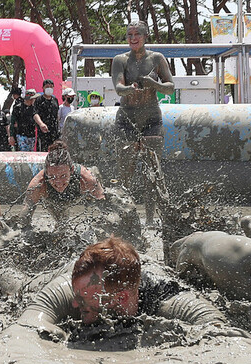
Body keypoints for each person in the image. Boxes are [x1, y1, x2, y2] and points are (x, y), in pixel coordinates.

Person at [17, 237, 235, 340]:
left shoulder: (165, 295)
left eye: (83, 298)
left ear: (121, 297)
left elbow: (220, 328)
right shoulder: (71, 288)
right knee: (18, 286)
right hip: (67, 271)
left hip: (143, 268)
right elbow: (25, 325)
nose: (75, 303)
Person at [111, 20, 175, 246]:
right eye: (129, 34)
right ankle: (126, 216)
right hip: (127, 116)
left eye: (137, 34)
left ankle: (149, 218)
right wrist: (129, 89)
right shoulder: (120, 60)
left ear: (146, 36)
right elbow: (118, 87)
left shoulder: (157, 59)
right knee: (125, 172)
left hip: (151, 118)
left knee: (153, 170)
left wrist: (152, 83)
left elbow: (170, 86)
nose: (133, 37)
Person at [14, 141, 105, 229]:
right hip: (55, 201)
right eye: (52, 177)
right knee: (62, 228)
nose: (59, 182)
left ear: (71, 170)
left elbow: (107, 209)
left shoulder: (86, 179)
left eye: (63, 176)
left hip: (85, 187)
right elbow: (23, 218)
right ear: (46, 172)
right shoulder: (38, 184)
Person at [33, 79, 60, 152]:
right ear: (43, 88)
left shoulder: (55, 100)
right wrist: (41, 124)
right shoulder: (39, 100)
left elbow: (57, 114)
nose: (49, 88)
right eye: (47, 86)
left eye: (51, 87)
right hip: (43, 131)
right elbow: (35, 114)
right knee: (43, 151)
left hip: (54, 131)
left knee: (55, 151)